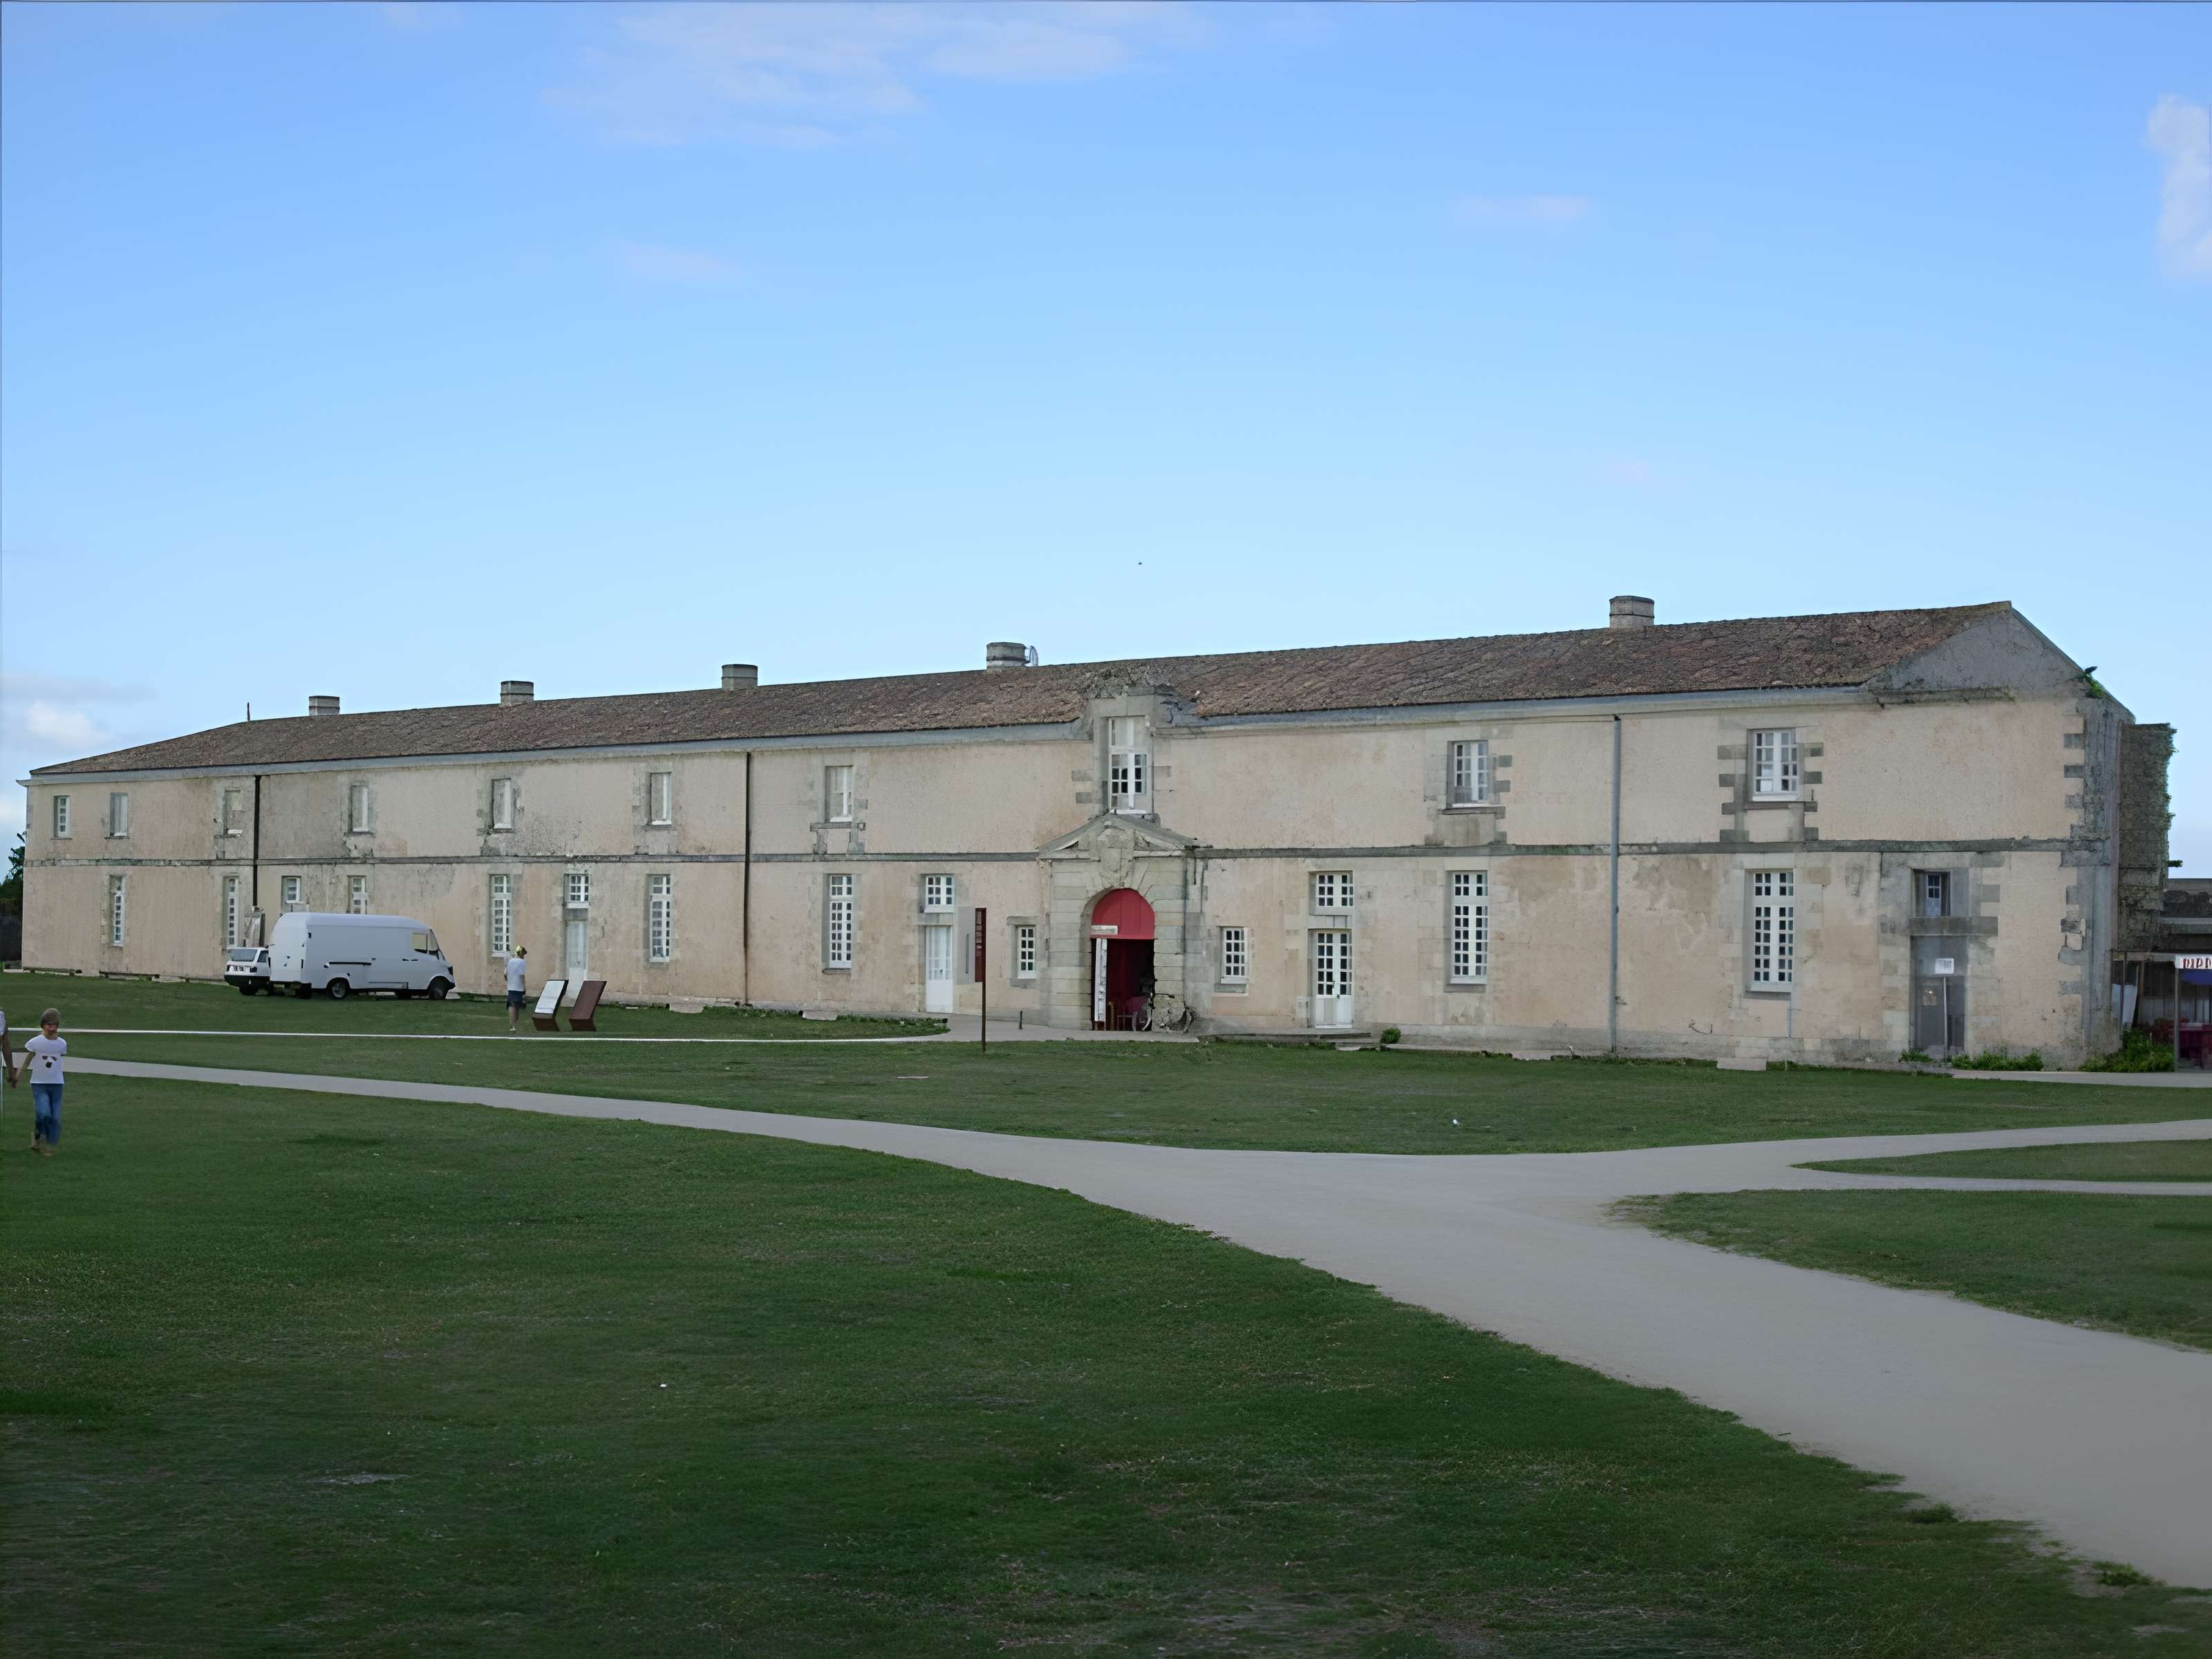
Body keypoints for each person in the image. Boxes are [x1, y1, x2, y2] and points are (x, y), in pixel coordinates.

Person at [21, 1008, 66, 1156]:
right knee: (44, 1113)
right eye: (48, 1024)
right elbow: (28, 1058)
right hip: (39, 1083)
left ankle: (49, 1146)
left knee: (54, 1117)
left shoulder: (62, 1044)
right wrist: (18, 1074)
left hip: (57, 1084)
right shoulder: (35, 1042)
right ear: (43, 1025)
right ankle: (36, 1135)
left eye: (54, 1025)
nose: (51, 1028)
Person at [506, 947, 529, 1033]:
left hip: (511, 986)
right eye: (523, 954)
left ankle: (513, 1025)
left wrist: (510, 981)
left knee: (512, 1006)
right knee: (516, 1006)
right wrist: (524, 988)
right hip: (519, 987)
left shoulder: (510, 961)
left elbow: (505, 974)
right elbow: (522, 975)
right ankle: (514, 1025)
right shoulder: (522, 962)